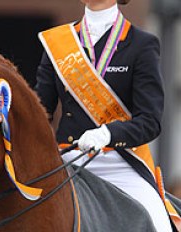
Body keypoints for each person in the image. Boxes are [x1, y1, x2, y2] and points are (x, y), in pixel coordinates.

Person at [35, 0, 181, 231]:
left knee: (159, 221)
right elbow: (40, 113)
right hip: (67, 158)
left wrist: (107, 134)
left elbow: (150, 121)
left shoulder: (142, 44)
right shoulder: (59, 43)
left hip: (120, 162)